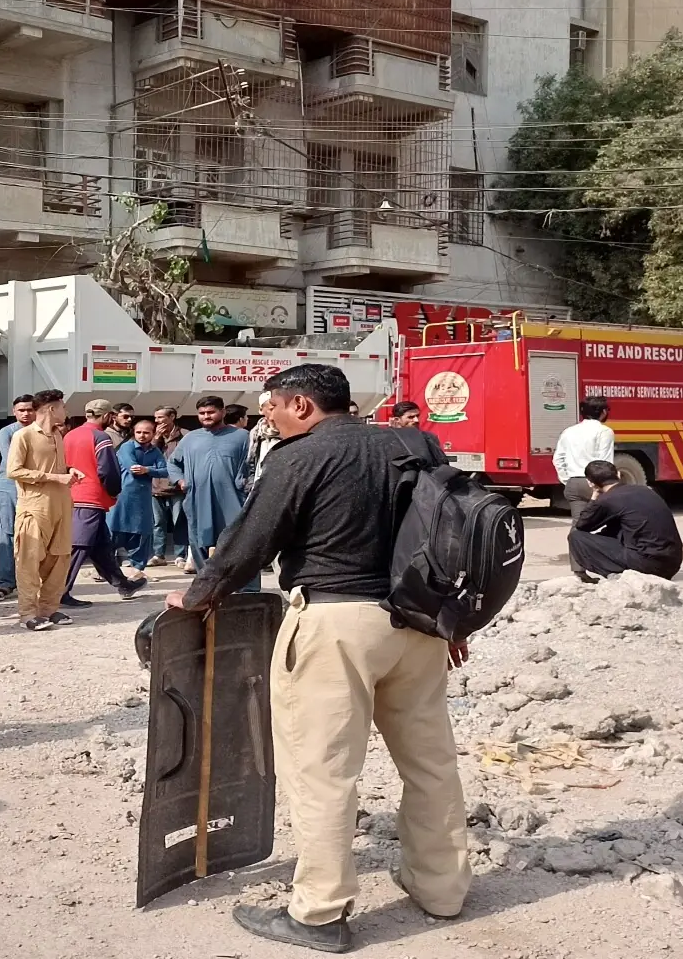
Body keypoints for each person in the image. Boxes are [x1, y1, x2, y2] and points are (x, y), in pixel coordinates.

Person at [164, 364, 469, 954]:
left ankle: (320, 914)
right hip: (419, 624)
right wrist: (453, 617)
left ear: (301, 405)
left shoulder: (298, 457)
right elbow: (450, 533)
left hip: (336, 625)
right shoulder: (416, 445)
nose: (268, 418)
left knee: (324, 773)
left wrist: (198, 596)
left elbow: (250, 542)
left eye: (273, 407)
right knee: (431, 765)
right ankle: (442, 890)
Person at [6, 389, 83, 631]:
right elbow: (14, 471)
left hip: (61, 505)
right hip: (34, 508)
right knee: (28, 561)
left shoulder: (58, 435)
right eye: (62, 407)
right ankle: (27, 614)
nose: (65, 411)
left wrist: (69, 471)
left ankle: (49, 608)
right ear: (51, 409)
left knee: (59, 559)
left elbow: (57, 468)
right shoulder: (23, 436)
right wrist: (54, 478)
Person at [62, 399, 145, 608]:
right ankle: (60, 592)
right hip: (90, 497)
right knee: (79, 545)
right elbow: (107, 470)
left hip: (71, 494)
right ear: (108, 416)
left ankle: (123, 584)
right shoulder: (101, 437)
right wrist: (114, 491)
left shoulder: (70, 435)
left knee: (101, 546)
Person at [173, 396, 252, 585]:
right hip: (198, 500)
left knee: (238, 543)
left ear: (222, 412)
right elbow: (173, 463)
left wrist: (245, 484)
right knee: (200, 542)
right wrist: (180, 480)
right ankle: (206, 586)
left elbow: (253, 464)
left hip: (232, 500)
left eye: (211, 412)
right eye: (202, 413)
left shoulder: (242, 436)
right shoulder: (190, 438)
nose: (206, 416)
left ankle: (245, 589)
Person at [568, 459, 683, 582]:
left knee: (576, 537)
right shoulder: (646, 490)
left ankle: (617, 577)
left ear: (590, 483)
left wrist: (594, 496)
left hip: (648, 566)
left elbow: (582, 525)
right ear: (618, 474)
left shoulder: (608, 499)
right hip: (671, 564)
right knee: (614, 528)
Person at [0, 395, 37, 604]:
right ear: (14, 412)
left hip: (37, 486)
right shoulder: (7, 432)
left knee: (35, 534)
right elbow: (12, 463)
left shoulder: (46, 432)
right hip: (9, 485)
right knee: (6, 533)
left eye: (29, 409)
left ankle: (33, 581)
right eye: (21, 410)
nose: (25, 414)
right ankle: (5, 581)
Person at [108, 418, 167, 571]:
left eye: (146, 432)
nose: (142, 435)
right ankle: (106, 570)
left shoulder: (155, 451)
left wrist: (147, 470)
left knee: (141, 533)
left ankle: (138, 570)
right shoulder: (127, 447)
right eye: (138, 432)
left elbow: (165, 470)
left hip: (143, 498)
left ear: (153, 434)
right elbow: (133, 468)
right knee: (114, 532)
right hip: (122, 496)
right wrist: (152, 470)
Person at [553, 396, 615, 519]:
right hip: (594, 483)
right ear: (603, 412)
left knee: (579, 522)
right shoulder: (604, 431)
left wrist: (567, 480)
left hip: (573, 483)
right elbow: (604, 462)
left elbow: (558, 459)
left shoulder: (569, 431)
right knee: (601, 521)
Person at [150, 406, 186, 567]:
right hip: (156, 485)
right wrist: (156, 438)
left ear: (172, 417)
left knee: (179, 521)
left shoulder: (185, 435)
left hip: (176, 486)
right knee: (158, 522)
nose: (157, 421)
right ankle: (158, 555)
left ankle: (180, 555)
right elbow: (146, 455)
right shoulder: (151, 435)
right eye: (155, 417)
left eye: (160, 417)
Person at [387, 401, 451, 466]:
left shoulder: (429, 438)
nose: (416, 420)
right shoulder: (387, 439)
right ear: (397, 419)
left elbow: (441, 462)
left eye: (417, 416)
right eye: (410, 417)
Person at [242, 391, 282, 491]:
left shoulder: (292, 431)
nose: (275, 413)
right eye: (271, 409)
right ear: (261, 410)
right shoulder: (256, 433)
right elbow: (251, 463)